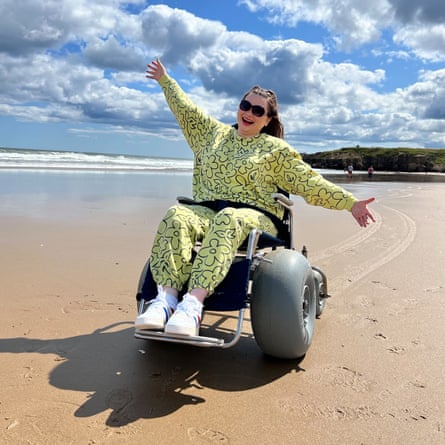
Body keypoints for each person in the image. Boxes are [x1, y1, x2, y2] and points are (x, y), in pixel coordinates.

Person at [135, 58, 375, 336]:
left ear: (267, 119)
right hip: (208, 210)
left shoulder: (275, 150)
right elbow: (186, 110)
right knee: (176, 215)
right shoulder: (211, 135)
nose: (248, 112)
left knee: (229, 217)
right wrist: (166, 80)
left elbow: (309, 182)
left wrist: (350, 203)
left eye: (257, 110)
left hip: (257, 216)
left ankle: (193, 305)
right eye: (245, 105)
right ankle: (165, 300)